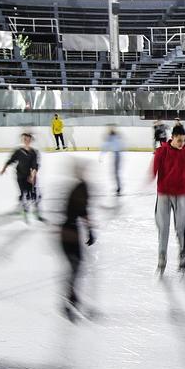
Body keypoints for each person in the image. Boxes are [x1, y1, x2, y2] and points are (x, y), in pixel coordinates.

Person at [151, 123, 185, 274]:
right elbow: (154, 170)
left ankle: (182, 255)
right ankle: (162, 257)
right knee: (163, 228)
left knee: (180, 228)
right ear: (172, 138)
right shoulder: (161, 151)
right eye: (179, 140)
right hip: (164, 195)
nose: (182, 143)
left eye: (184, 140)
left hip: (181, 195)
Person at [59, 163, 94, 319]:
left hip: (68, 231)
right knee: (75, 266)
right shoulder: (81, 188)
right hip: (69, 233)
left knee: (75, 267)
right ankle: (69, 300)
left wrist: (89, 230)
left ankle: (72, 298)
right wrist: (90, 230)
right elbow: (83, 211)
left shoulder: (78, 188)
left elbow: (82, 211)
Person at [0, 132, 41, 220]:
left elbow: (35, 165)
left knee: (33, 194)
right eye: (25, 139)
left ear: (31, 140)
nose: (27, 141)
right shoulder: (18, 151)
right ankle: (24, 209)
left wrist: (32, 176)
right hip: (20, 175)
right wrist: (4, 168)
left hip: (30, 176)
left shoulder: (34, 152)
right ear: (23, 140)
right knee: (23, 193)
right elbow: (11, 160)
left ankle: (36, 210)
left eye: (28, 139)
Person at [102, 127, 124, 196]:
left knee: (115, 173)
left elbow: (106, 145)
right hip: (117, 155)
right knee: (115, 173)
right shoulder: (115, 137)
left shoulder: (112, 138)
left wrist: (102, 155)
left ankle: (119, 187)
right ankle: (118, 187)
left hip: (117, 155)